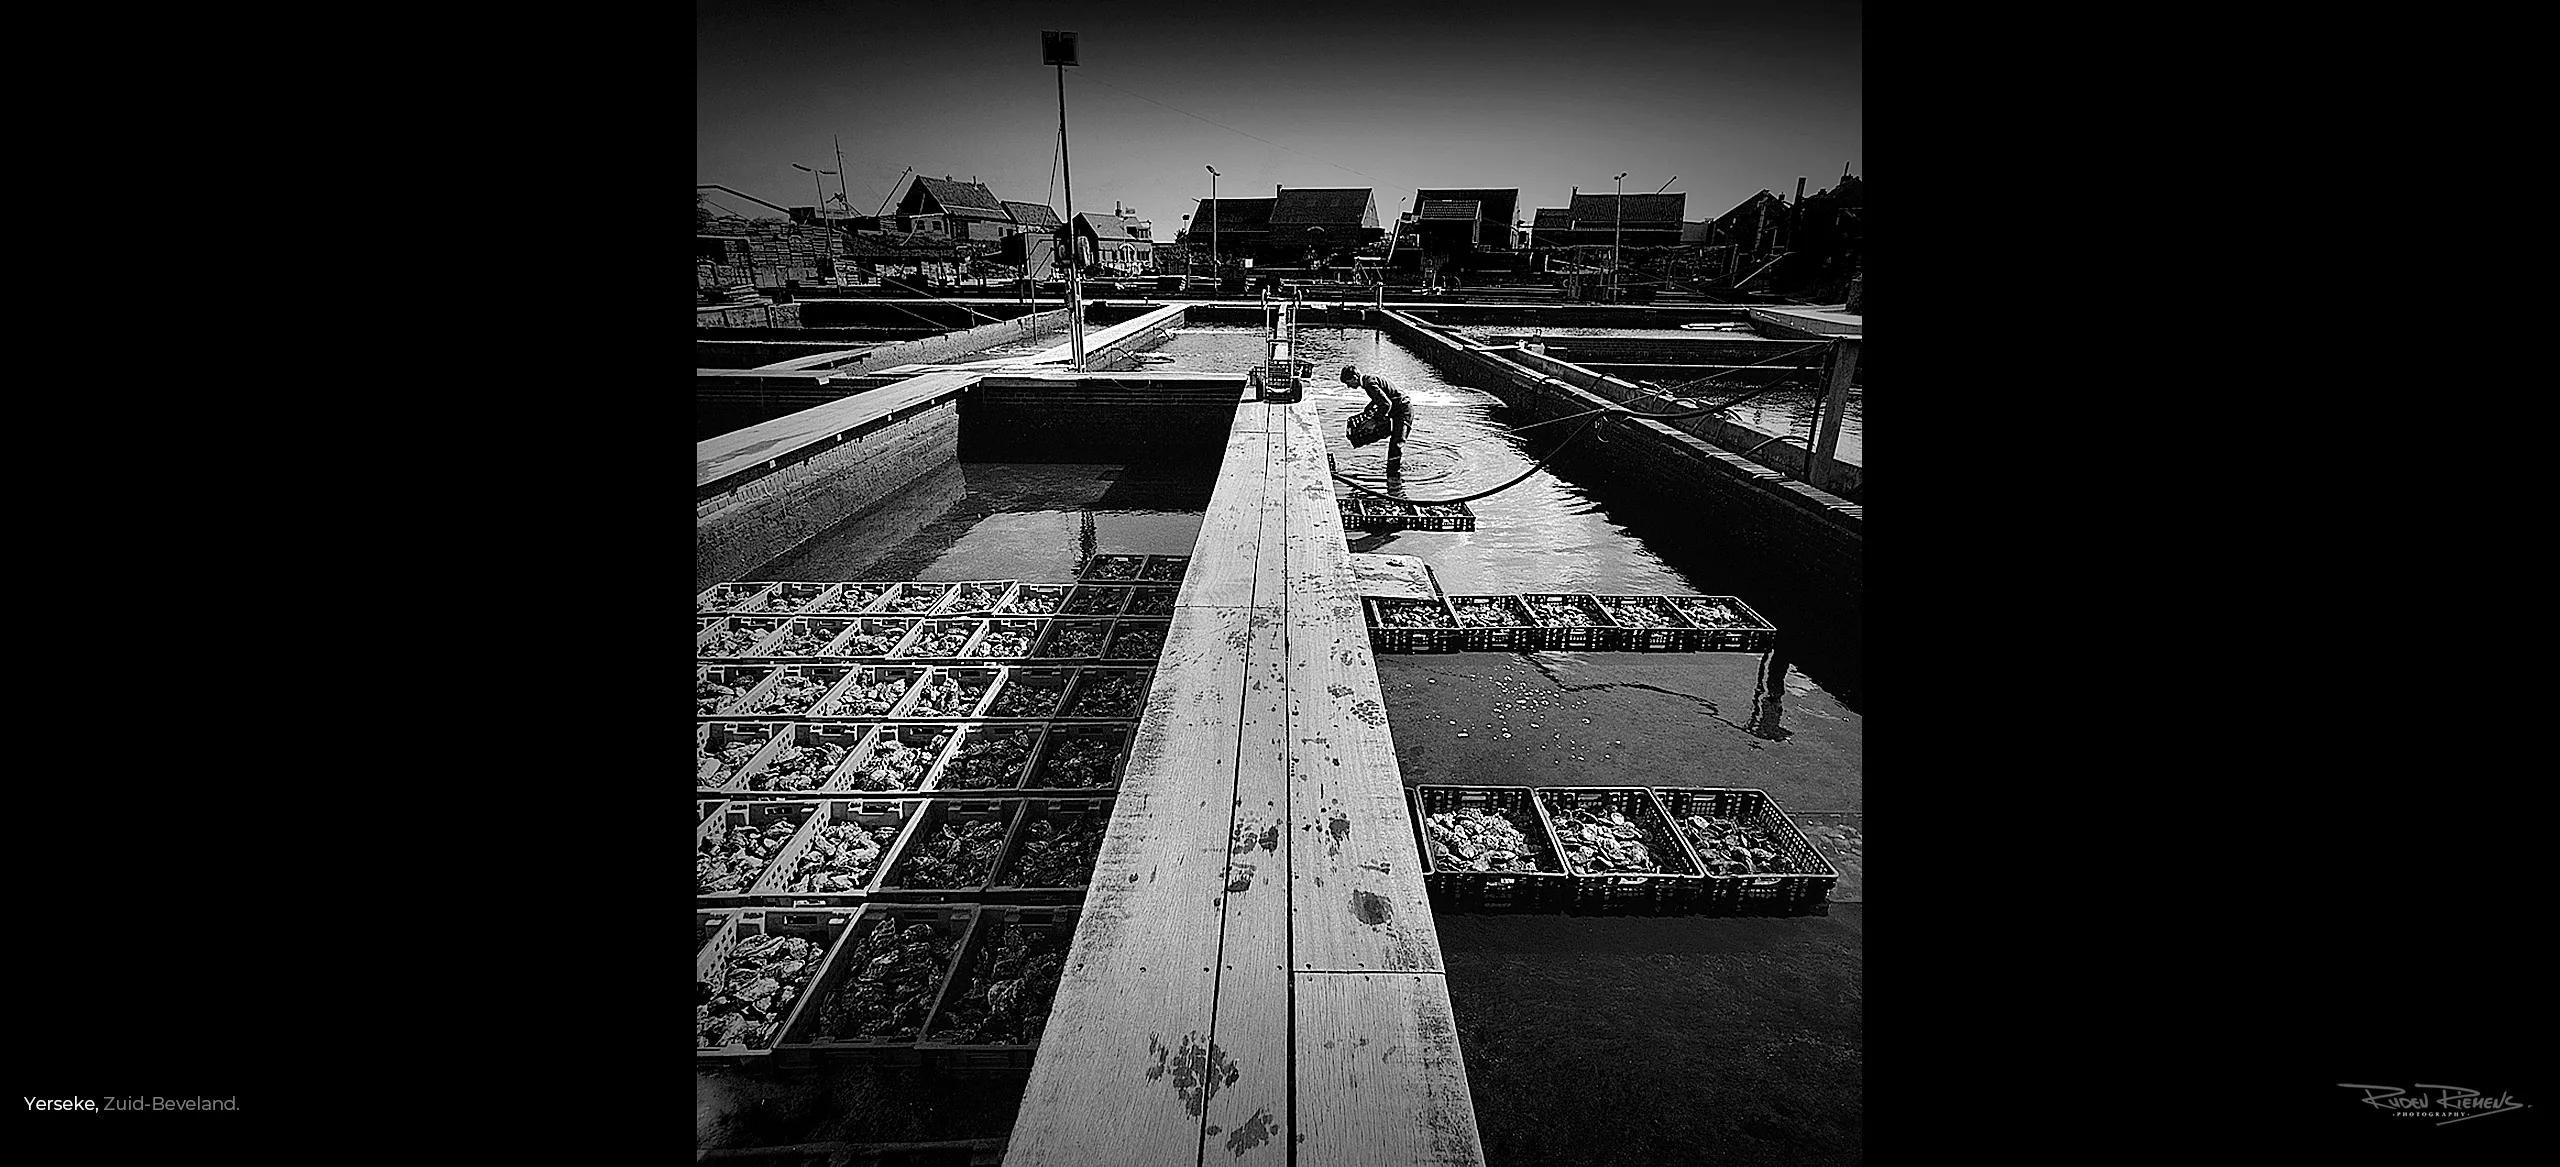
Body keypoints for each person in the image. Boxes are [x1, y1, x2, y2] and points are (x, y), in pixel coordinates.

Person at [1341, 364, 1412, 472]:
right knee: (1394, 442)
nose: (1348, 386)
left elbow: (1386, 404)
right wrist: (1370, 406)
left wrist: (1373, 421)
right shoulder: (1368, 380)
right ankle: (1394, 472)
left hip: (1403, 411)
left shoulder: (1369, 384)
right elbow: (1382, 397)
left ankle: (1393, 475)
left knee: (1396, 443)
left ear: (1354, 378)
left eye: (1348, 383)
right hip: (1397, 410)